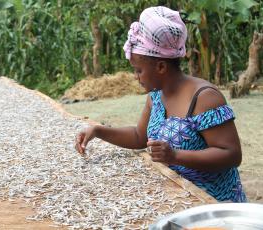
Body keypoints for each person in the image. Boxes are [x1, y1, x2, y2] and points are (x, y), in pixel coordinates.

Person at [74, 6, 246, 202]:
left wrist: (175, 156)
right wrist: (98, 131)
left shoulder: (204, 98)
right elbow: (139, 136)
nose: (135, 77)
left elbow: (231, 155)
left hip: (213, 202)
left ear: (161, 67)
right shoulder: (156, 96)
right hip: (178, 197)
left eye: (139, 70)